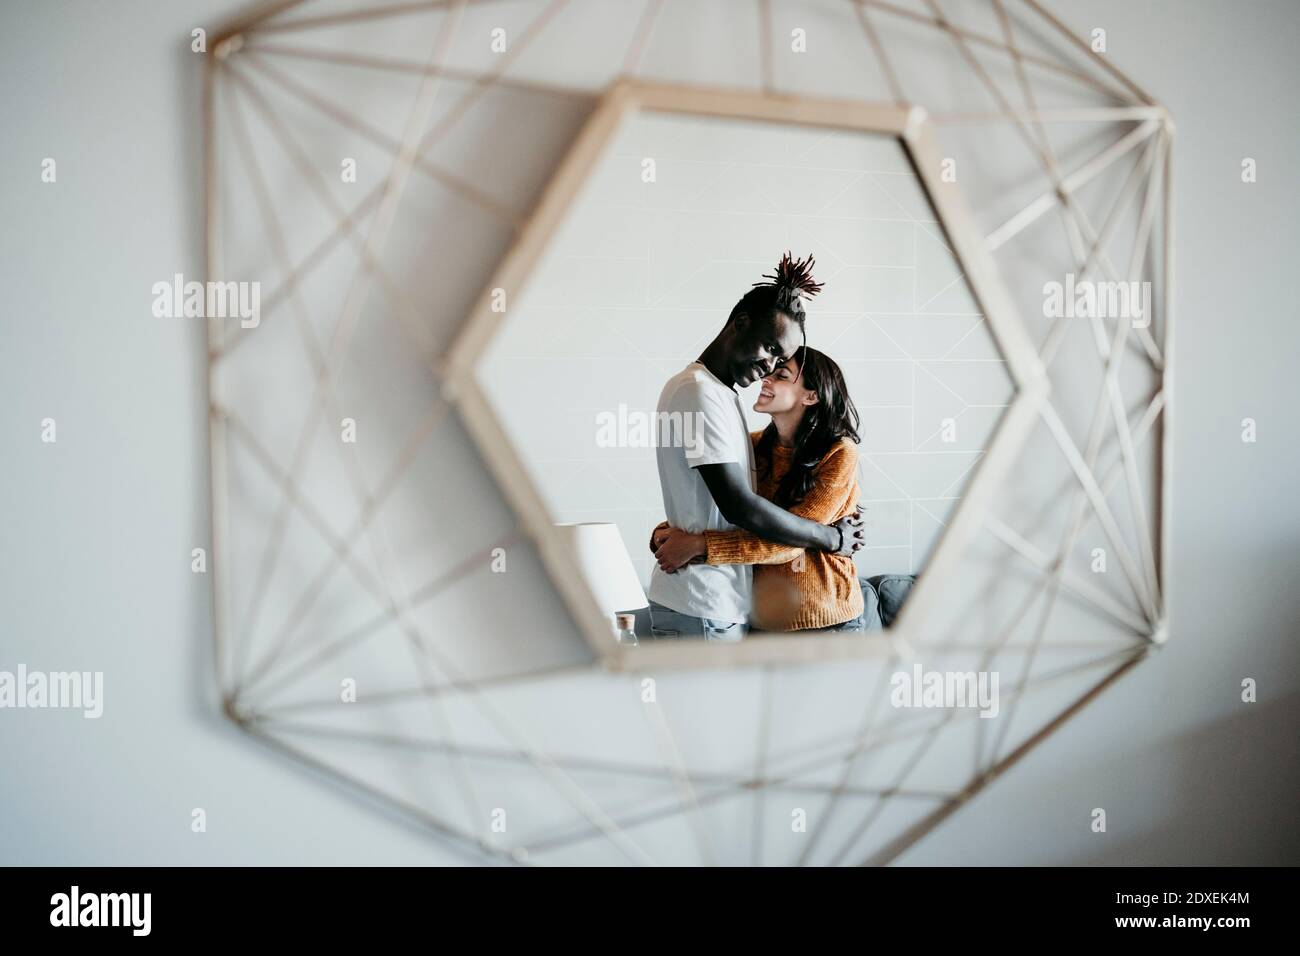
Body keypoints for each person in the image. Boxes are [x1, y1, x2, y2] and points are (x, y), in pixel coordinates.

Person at [645, 252, 864, 641]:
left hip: (752, 608)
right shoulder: (698, 393)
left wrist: (689, 538)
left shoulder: (721, 397)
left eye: (781, 364)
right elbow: (740, 506)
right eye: (770, 351)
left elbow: (709, 504)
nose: (768, 368)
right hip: (704, 603)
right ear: (740, 323)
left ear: (811, 396)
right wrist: (832, 538)